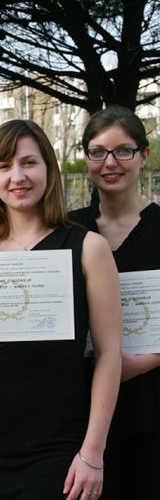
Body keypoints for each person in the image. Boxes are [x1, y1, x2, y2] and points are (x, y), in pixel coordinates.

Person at [0, 119, 122, 500]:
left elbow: (109, 354)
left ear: (48, 167)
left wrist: (93, 451)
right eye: (4, 166)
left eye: (29, 162)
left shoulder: (88, 248)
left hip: (61, 442)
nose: (18, 176)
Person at [70, 105, 160, 499]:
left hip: (152, 407)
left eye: (123, 151)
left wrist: (148, 360)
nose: (110, 163)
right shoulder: (67, 230)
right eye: (97, 151)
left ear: (144, 155)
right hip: (78, 410)